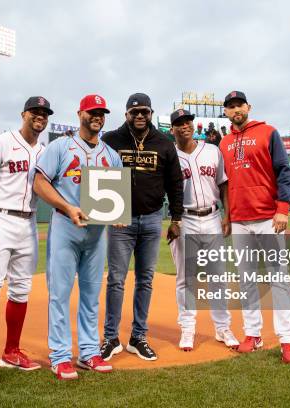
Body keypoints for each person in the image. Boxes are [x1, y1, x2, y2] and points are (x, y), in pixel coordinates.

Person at [33, 94, 122, 380]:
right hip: (65, 227)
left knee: (91, 295)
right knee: (59, 295)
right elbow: (39, 183)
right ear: (80, 113)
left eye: (102, 112)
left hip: (97, 234)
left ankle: (88, 352)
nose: (97, 116)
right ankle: (60, 356)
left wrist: (119, 213)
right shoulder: (60, 146)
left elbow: (117, 198)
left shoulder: (111, 155)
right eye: (92, 111)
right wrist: (67, 206)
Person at [0, 96, 52, 392]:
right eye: (35, 111)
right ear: (24, 114)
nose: (40, 116)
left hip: (28, 224)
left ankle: (11, 351)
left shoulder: (44, 150)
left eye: (44, 113)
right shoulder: (2, 142)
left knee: (20, 290)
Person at [100, 92, 184, 361]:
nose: (139, 116)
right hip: (119, 221)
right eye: (134, 112)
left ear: (150, 113)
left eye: (144, 112)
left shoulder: (164, 142)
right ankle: (111, 338)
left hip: (151, 219)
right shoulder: (111, 140)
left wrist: (176, 218)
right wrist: (104, 214)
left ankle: (138, 337)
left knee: (145, 281)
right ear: (126, 114)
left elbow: (175, 183)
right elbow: (99, 174)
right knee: (116, 280)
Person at [219, 90, 290, 364]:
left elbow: (284, 170)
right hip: (240, 220)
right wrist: (227, 215)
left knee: (279, 279)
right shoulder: (224, 143)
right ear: (226, 112)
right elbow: (225, 184)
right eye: (230, 107)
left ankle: (288, 340)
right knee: (246, 281)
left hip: (268, 217)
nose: (235, 109)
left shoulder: (269, 132)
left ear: (248, 106)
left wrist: (283, 209)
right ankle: (253, 335)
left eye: (238, 104)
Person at [168, 109, 239, 351]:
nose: (184, 125)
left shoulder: (212, 150)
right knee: (185, 279)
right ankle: (187, 328)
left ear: (193, 124)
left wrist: (227, 216)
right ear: (172, 129)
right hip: (184, 219)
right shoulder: (169, 155)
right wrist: (173, 222)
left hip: (212, 217)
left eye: (187, 121)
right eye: (179, 123)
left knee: (217, 276)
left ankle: (222, 327)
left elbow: (224, 184)